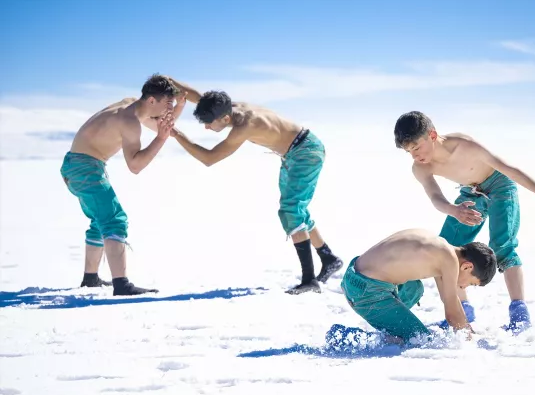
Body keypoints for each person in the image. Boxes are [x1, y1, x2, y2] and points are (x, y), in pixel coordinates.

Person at [393, 111, 535, 332]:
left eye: (417, 147)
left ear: (432, 135)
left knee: (503, 247)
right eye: (408, 151)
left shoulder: (465, 145)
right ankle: (463, 310)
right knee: (445, 249)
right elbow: (435, 197)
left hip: (500, 186)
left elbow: (508, 168)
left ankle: (520, 314)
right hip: (471, 194)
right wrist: (453, 210)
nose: (414, 155)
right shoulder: (421, 167)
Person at [170, 90, 344, 294]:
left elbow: (210, 158)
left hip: (305, 153)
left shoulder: (244, 125)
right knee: (297, 210)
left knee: (290, 211)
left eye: (209, 123)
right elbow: (197, 96)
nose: (207, 127)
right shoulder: (228, 106)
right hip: (296, 151)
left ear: (225, 118)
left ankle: (309, 280)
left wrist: (176, 134)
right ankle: (328, 258)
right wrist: (170, 85)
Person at [60, 73, 200, 295]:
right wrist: (161, 139)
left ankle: (90, 278)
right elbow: (135, 165)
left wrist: (177, 109)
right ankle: (122, 285)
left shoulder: (131, 106)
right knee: (114, 220)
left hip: (79, 166)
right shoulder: (130, 122)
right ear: (152, 101)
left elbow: (161, 124)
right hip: (84, 169)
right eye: (168, 104)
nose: (169, 109)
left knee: (100, 220)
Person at [340, 228, 497, 343]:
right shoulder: (449, 261)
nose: (463, 287)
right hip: (365, 289)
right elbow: (452, 313)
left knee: (414, 288)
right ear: (467, 267)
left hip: (355, 275)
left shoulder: (441, 246)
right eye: (470, 283)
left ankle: (392, 326)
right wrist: (469, 340)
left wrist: (466, 328)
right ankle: (346, 337)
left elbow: (449, 298)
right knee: (419, 339)